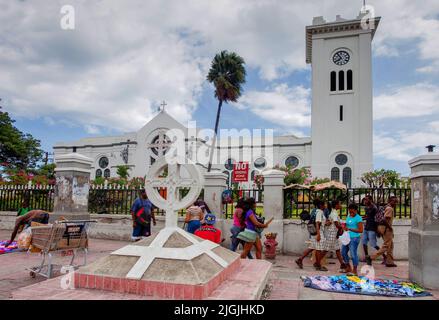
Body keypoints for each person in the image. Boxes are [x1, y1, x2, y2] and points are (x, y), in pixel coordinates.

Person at [366, 196, 398, 267]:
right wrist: (390, 228)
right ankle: (371, 257)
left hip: (382, 228)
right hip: (386, 229)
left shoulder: (385, 207)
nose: (396, 203)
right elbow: (384, 220)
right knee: (386, 245)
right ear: (390, 201)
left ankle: (389, 262)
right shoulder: (389, 208)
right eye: (394, 201)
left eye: (396, 201)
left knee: (390, 245)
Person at [295, 199, 326, 270]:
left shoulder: (316, 211)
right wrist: (318, 235)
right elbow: (317, 223)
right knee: (318, 249)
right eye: (324, 204)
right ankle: (318, 265)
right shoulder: (319, 212)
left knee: (312, 247)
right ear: (321, 205)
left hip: (314, 232)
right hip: (318, 233)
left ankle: (300, 259)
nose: (325, 205)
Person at [319, 199, 347, 272]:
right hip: (331, 234)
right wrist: (341, 228)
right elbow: (336, 224)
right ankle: (317, 263)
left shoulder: (334, 212)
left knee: (337, 250)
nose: (341, 205)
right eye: (340, 203)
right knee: (326, 250)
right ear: (336, 205)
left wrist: (340, 228)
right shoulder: (334, 213)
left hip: (334, 234)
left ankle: (342, 264)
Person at [362, 195, 386, 264]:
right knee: (364, 243)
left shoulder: (374, 208)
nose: (365, 201)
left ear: (370, 200)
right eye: (364, 200)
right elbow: (368, 216)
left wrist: (377, 230)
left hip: (372, 228)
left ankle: (384, 256)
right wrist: (360, 218)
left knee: (373, 244)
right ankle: (367, 257)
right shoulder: (366, 208)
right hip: (366, 227)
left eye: (366, 200)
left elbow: (377, 219)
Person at [341, 203, 364, 275]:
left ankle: (355, 270)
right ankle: (348, 267)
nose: (351, 213)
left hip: (354, 238)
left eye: (352, 211)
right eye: (349, 211)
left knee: (353, 254)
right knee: (343, 252)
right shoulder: (348, 216)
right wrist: (344, 226)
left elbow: (360, 230)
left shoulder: (358, 218)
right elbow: (347, 226)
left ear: (356, 210)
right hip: (347, 237)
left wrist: (350, 229)